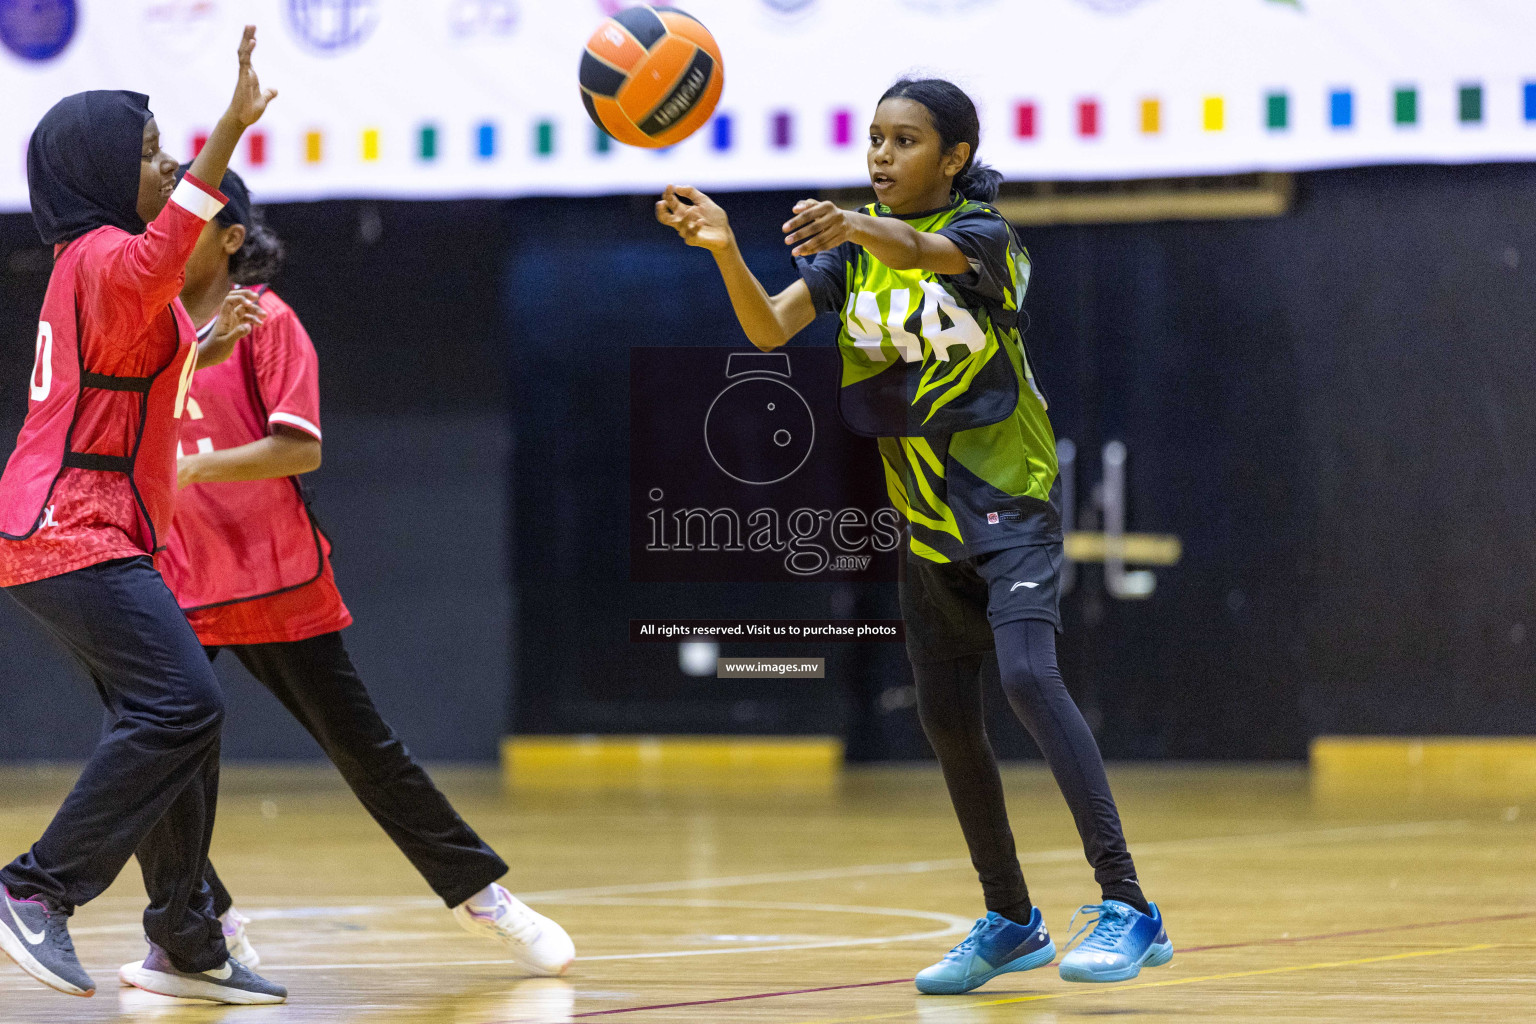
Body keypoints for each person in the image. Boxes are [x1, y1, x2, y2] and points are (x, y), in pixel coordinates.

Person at [654, 78, 1173, 992]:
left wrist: (855, 224)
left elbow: (923, 249)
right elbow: (770, 329)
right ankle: (1011, 919)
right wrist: (726, 250)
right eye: (875, 140)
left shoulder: (986, 241)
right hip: (925, 522)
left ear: (956, 157)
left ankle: (1130, 904)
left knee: (1025, 675)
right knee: (946, 722)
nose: (882, 157)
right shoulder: (853, 258)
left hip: (1009, 500)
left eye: (904, 141)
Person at [148, 166, 574, 979]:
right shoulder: (153, 326)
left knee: (365, 751)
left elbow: (300, 445)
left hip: (272, 573)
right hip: (173, 578)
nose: (169, 229)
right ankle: (199, 926)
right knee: (150, 761)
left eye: (190, 218)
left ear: (231, 239)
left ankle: (482, 895)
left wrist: (196, 471)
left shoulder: (267, 321)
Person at [0, 28, 287, 1005]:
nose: (167, 164)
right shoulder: (108, 257)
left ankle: (187, 940)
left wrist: (201, 352)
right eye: (153, 150)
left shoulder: (105, 274)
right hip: (72, 528)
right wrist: (232, 131)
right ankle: (35, 891)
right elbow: (173, 245)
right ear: (96, 172)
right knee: (183, 704)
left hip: (88, 530)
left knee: (175, 723)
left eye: (173, 148)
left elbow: (133, 390)